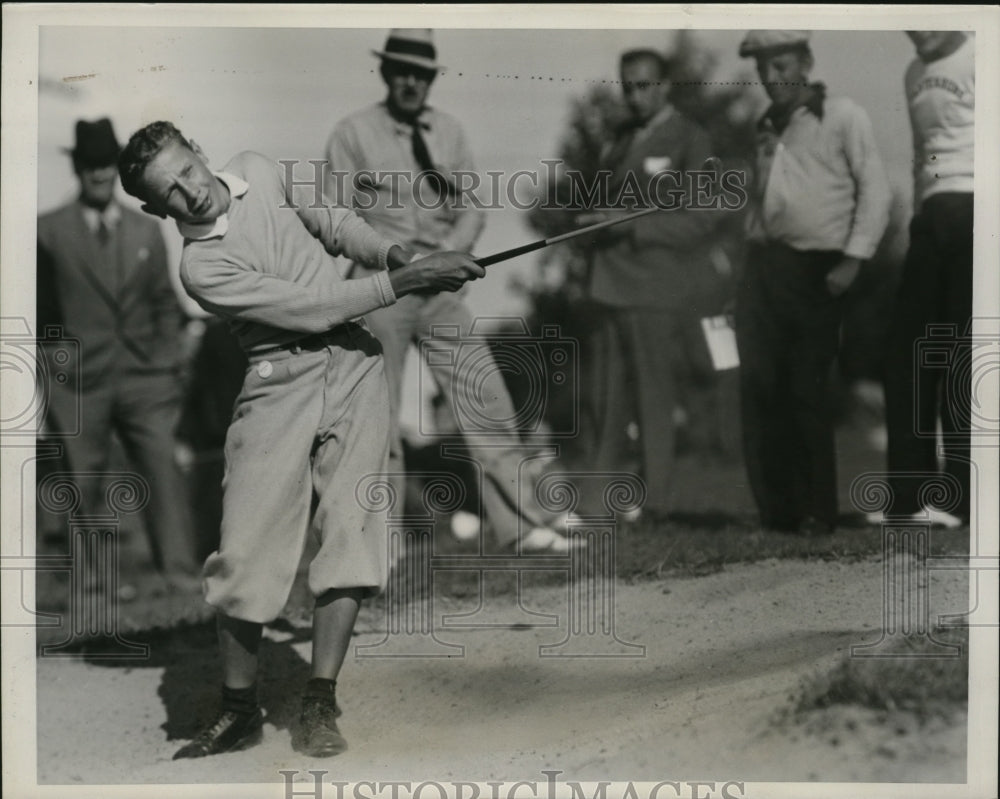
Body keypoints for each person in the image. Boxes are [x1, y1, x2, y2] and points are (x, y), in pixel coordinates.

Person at [117, 121, 483, 759]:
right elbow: (310, 307)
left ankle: (319, 699)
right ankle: (238, 711)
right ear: (155, 208)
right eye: (171, 192)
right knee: (244, 547)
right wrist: (408, 282)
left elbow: (335, 224)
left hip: (355, 366)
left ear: (202, 151)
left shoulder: (258, 164)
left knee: (352, 528)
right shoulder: (200, 267)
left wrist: (394, 254)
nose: (191, 191)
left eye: (189, 169)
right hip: (277, 382)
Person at [325, 29, 578, 552]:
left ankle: (524, 527)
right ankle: (377, 548)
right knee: (375, 420)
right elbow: (335, 217)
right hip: (382, 290)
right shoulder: (352, 133)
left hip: (440, 292)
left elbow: (473, 210)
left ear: (433, 78)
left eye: (422, 73)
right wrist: (396, 261)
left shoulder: (450, 132)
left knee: (487, 402)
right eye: (402, 71)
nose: (412, 82)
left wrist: (449, 260)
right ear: (386, 73)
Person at [736, 31, 892, 536]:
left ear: (805, 62)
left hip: (820, 267)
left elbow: (875, 188)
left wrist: (853, 259)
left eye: (782, 65)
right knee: (761, 389)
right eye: (763, 68)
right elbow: (760, 205)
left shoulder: (843, 115)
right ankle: (775, 513)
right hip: (764, 267)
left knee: (807, 385)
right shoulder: (766, 125)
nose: (772, 77)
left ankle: (816, 511)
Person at [37, 118, 200, 593]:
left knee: (163, 471)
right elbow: (41, 315)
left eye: (106, 163)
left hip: (146, 377)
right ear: (77, 168)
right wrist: (55, 378)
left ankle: (179, 573)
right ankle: (97, 582)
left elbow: (166, 302)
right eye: (89, 165)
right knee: (82, 480)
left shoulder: (147, 230)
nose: (99, 174)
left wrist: (169, 362)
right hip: (79, 382)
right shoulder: (49, 232)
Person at [575, 48, 719, 521]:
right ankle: (597, 506)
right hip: (609, 283)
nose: (634, 96)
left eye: (643, 85)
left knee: (654, 398)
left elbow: (701, 220)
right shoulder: (617, 138)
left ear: (664, 86)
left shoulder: (690, 139)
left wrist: (631, 226)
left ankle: (656, 503)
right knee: (605, 400)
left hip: (656, 287)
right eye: (627, 85)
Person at [881, 31, 974, 528]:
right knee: (906, 354)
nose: (918, 32)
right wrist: (920, 216)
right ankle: (908, 499)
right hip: (931, 214)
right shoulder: (913, 72)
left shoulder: (984, 52)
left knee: (962, 356)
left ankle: (960, 500)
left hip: (978, 209)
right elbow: (922, 153)